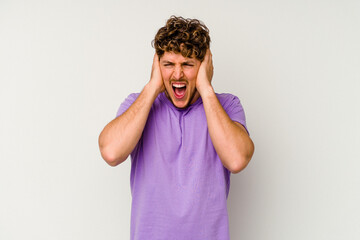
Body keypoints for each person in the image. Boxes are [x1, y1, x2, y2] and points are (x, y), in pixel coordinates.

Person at [98, 16, 254, 240]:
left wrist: (206, 89)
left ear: (203, 66)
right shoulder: (139, 104)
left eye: (187, 64)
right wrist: (153, 86)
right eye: (168, 64)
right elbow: (111, 152)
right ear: (157, 65)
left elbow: (237, 159)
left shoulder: (227, 106)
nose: (177, 74)